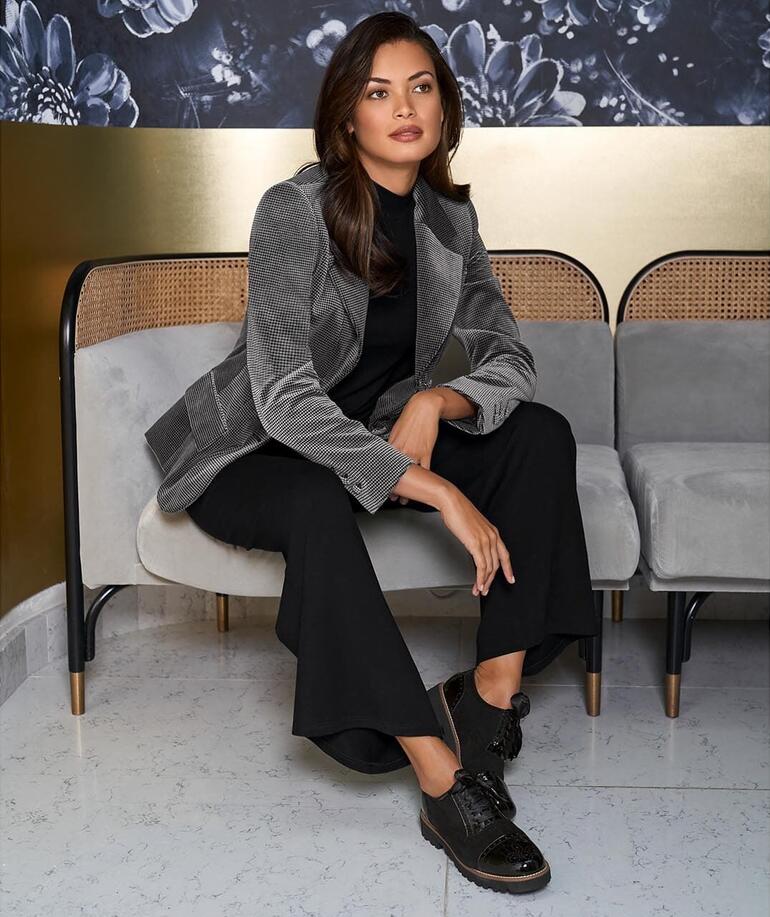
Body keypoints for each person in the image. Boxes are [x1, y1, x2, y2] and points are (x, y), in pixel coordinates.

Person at [144, 11, 598, 895]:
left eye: (421, 87)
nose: (404, 108)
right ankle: (440, 780)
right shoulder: (294, 210)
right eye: (379, 91)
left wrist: (436, 399)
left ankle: (487, 700)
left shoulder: (448, 219)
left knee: (540, 435)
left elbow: (510, 356)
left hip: (373, 440)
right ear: (347, 114)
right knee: (317, 503)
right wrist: (432, 487)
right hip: (256, 451)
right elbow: (282, 397)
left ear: (443, 107)